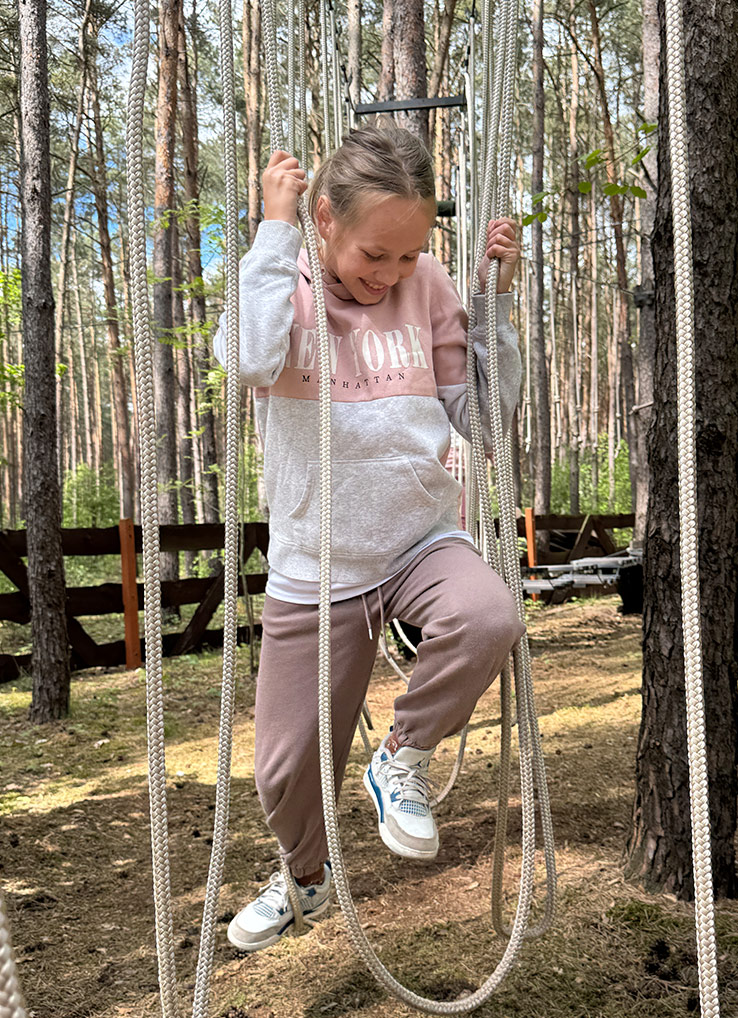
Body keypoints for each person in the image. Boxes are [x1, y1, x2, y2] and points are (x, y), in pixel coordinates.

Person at [213, 126, 525, 952]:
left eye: (409, 254)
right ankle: (305, 878)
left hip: (418, 539)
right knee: (283, 770)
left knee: (487, 617)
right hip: (316, 564)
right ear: (324, 219)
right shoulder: (283, 282)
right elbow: (246, 361)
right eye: (373, 254)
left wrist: (494, 308)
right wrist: (271, 232)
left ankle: (401, 756)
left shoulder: (429, 285)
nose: (389, 274)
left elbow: (483, 420)